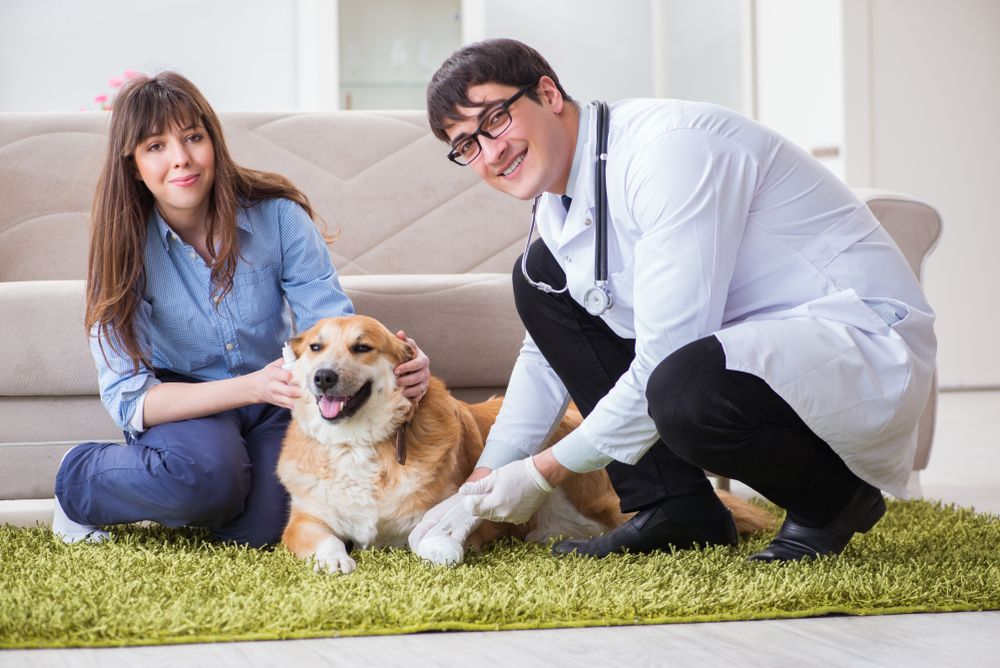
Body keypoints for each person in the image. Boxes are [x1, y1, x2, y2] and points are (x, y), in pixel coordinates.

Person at [409, 39, 935, 562]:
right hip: (747, 342)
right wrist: (481, 482)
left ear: (547, 93)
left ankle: (832, 500)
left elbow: (666, 354)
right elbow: (547, 356)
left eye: (496, 119)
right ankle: (676, 508)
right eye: (468, 145)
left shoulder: (672, 150)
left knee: (683, 389)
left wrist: (540, 473)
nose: (491, 151)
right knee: (540, 278)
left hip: (854, 336)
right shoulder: (560, 202)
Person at [53, 72, 431, 548]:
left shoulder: (278, 218)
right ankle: (80, 479)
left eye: (193, 137)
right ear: (132, 165)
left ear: (214, 140)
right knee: (206, 477)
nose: (181, 159)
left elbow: (329, 325)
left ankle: (206, 496)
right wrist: (251, 387)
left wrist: (402, 359)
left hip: (273, 396)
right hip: (186, 400)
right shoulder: (122, 247)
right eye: (155, 146)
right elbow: (132, 399)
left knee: (269, 525)